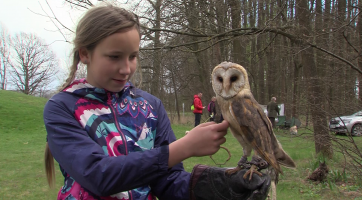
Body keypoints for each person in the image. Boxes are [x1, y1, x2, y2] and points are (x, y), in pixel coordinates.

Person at [43, 4, 270, 200]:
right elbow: (98, 176)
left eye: (133, 56)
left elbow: (168, 181)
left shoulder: (150, 107)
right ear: (85, 54)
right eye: (114, 57)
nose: (126, 69)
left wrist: (215, 186)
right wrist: (184, 147)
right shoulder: (63, 108)